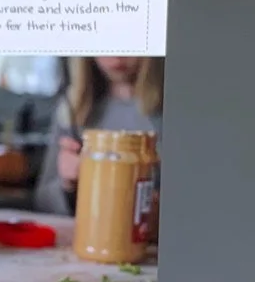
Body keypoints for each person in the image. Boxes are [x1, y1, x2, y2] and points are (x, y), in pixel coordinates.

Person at [36, 56, 163, 213]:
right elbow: (43, 201)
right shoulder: (74, 111)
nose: (117, 56)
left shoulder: (168, 112)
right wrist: (67, 184)